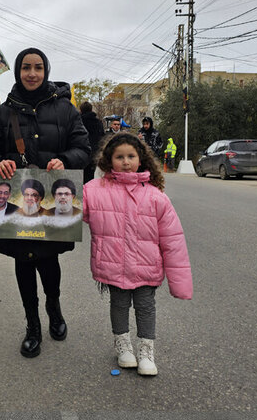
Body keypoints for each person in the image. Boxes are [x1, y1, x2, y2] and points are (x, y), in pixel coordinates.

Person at [0, 47, 90, 358]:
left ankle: (54, 309)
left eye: (38, 68)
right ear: (18, 71)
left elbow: (84, 148)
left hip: (52, 200)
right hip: (17, 201)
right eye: (26, 67)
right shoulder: (4, 111)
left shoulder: (66, 110)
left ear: (46, 71)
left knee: (48, 259)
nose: (31, 73)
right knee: (24, 262)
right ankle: (32, 326)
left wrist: (64, 159)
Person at [82, 132, 192, 376]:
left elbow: (172, 240)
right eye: (119, 156)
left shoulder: (155, 196)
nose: (125, 161)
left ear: (140, 159)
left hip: (147, 266)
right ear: (109, 160)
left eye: (130, 156)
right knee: (119, 305)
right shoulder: (93, 190)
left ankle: (146, 350)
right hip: (113, 266)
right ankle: (123, 346)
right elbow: (69, 211)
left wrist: (180, 284)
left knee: (145, 307)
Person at [79, 102, 104, 183]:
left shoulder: (78, 121)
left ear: (81, 110)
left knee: (80, 177)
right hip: (94, 153)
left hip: (80, 153)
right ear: (91, 109)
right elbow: (102, 137)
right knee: (90, 177)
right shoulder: (98, 122)